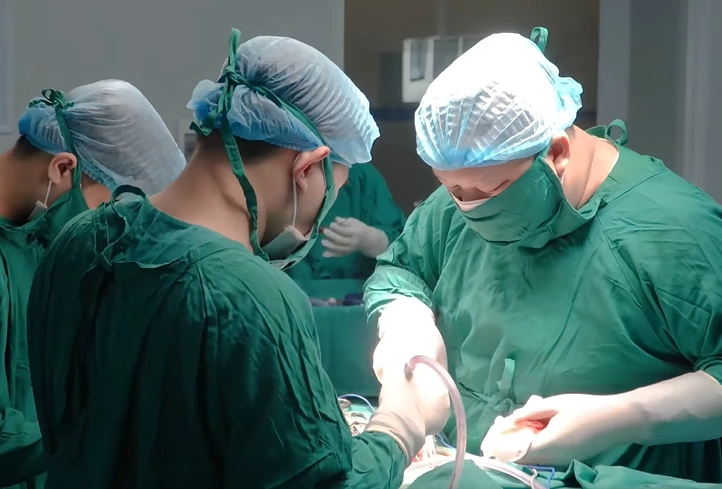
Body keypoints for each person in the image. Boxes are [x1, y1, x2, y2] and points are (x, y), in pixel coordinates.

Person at [364, 28, 722, 484]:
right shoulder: (461, 197)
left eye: (491, 190)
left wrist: (619, 417)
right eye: (451, 187)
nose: (468, 206)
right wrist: (407, 325)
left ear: (556, 151)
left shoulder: (674, 229)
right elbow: (403, 269)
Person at [26, 29, 449, 489]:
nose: (320, 216)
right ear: (307, 168)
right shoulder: (253, 299)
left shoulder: (77, 242)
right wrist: (399, 426)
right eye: (332, 191)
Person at [0, 81, 186, 489]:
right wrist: (102, 429)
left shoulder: (32, 241)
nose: (107, 227)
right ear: (62, 168)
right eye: (107, 208)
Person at [289, 163, 405, 281]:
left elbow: (404, 251)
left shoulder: (363, 178)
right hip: (292, 286)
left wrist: (374, 241)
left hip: (356, 289)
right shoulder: (285, 172)